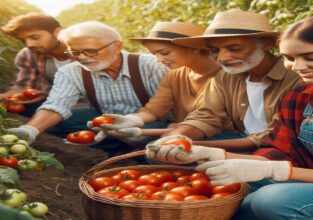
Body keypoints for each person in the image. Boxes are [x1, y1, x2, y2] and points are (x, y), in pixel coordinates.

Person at [146, 14, 313, 220]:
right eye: (290, 58)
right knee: (236, 197)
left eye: (312, 57)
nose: (297, 66)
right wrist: (209, 154)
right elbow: (280, 151)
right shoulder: (301, 97)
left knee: (271, 200)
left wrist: (281, 172)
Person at [8, 21, 168, 153]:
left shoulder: (150, 65)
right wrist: (30, 129)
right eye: (75, 53)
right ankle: (121, 151)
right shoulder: (71, 72)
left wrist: (137, 123)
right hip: (106, 121)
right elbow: (56, 104)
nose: (82, 58)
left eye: (91, 51)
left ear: (117, 46)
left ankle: (142, 150)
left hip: (151, 123)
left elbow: (169, 109)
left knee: (152, 147)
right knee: (57, 120)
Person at [162, 10, 303, 152]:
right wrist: (175, 137)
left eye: (234, 48)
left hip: (280, 148)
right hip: (240, 139)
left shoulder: (297, 78)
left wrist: (197, 147)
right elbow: (205, 116)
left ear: (266, 44)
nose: (222, 58)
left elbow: (275, 135)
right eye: (215, 50)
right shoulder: (224, 77)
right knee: (164, 155)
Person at [99, 21, 221, 142]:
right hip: (183, 133)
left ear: (193, 48)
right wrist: (131, 120)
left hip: (220, 136)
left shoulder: (225, 76)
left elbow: (213, 123)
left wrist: (172, 132)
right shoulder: (174, 76)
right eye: (154, 54)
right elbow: (154, 110)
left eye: (164, 53)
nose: (158, 59)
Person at [0, 13, 71, 116]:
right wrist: (4, 97)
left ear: (57, 32)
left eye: (35, 37)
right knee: (16, 109)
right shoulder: (27, 54)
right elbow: (23, 86)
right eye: (24, 40)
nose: (29, 44)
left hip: (86, 103)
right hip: (53, 101)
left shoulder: (83, 50)